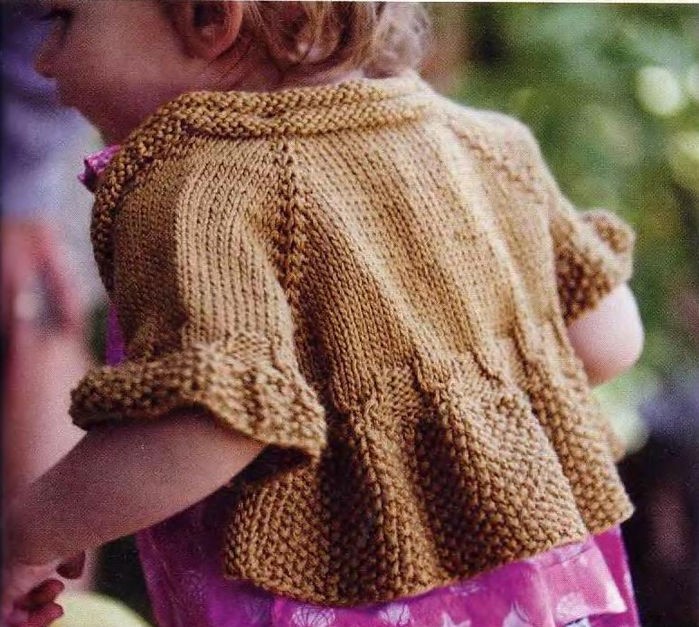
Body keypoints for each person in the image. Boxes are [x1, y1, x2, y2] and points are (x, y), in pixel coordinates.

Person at [2, 2, 646, 626]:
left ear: (209, 18)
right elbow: (609, 341)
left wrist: (29, 532)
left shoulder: (197, 190)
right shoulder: (490, 144)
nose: (44, 60)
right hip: (541, 596)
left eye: (63, 19)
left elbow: (214, 424)